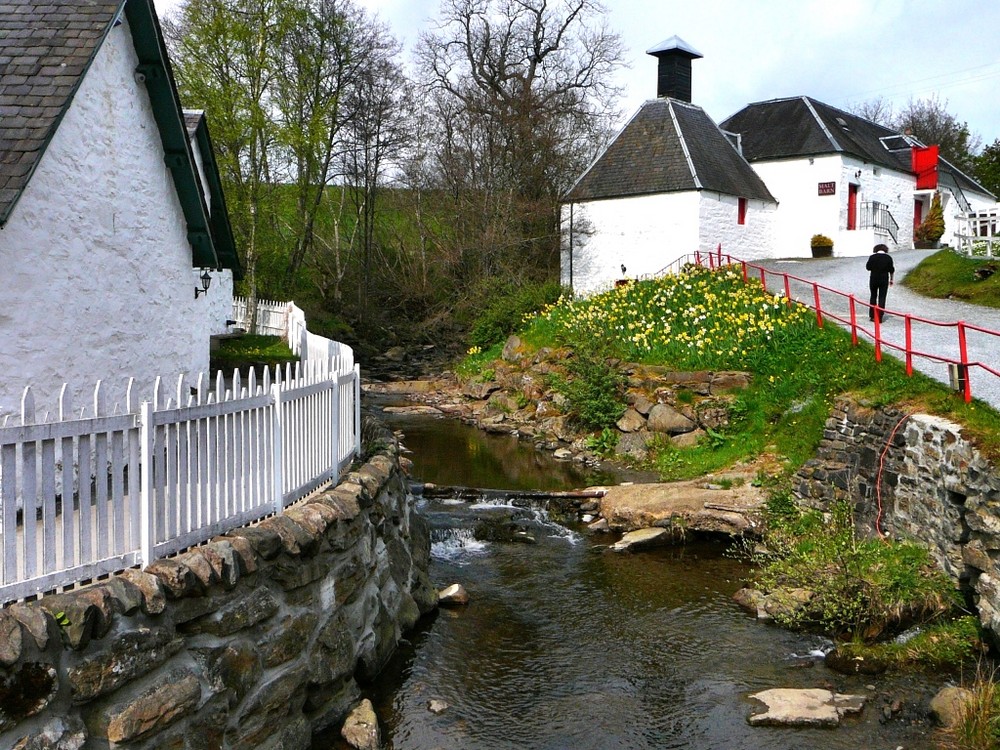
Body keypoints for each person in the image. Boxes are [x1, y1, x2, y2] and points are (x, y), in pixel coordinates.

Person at [866, 243, 894, 322]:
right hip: (884, 279)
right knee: (882, 297)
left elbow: (868, 267)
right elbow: (891, 270)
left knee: (873, 296)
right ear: (885, 250)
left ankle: (872, 315)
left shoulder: (872, 257)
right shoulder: (888, 258)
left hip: (874, 278)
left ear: (876, 249)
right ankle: (879, 316)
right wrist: (891, 279)